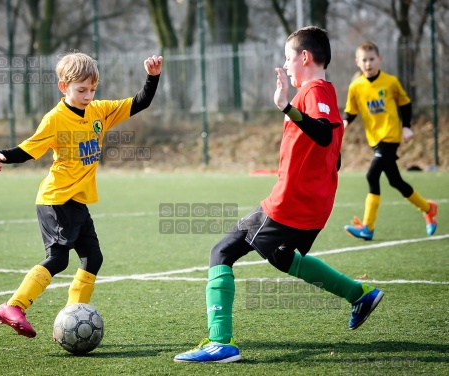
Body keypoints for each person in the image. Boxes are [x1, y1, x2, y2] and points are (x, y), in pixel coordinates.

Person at [174, 26, 383, 364]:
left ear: (305, 57)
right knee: (282, 257)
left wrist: (287, 107)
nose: (285, 66)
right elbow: (335, 153)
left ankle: (220, 342)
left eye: (289, 58)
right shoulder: (326, 92)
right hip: (313, 208)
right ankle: (359, 294)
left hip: (290, 203)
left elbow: (324, 138)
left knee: (221, 252)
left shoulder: (315, 90)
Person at [0, 52, 163, 338]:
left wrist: (152, 76)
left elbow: (140, 101)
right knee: (58, 259)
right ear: (63, 87)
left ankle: (70, 319)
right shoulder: (55, 119)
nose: (88, 96)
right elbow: (28, 149)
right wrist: (0, 156)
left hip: (77, 200)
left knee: (93, 258)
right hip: (56, 199)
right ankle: (13, 306)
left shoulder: (99, 111)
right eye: (81, 90)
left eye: (92, 89)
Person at [342, 41, 437, 240]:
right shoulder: (356, 87)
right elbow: (350, 112)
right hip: (374, 139)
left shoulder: (390, 82)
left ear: (379, 59)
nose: (368, 63)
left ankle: (367, 227)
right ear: (357, 62)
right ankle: (428, 209)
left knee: (372, 175)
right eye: (364, 60)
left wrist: (407, 126)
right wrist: (343, 124)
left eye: (371, 59)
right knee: (395, 181)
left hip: (391, 136)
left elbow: (405, 103)